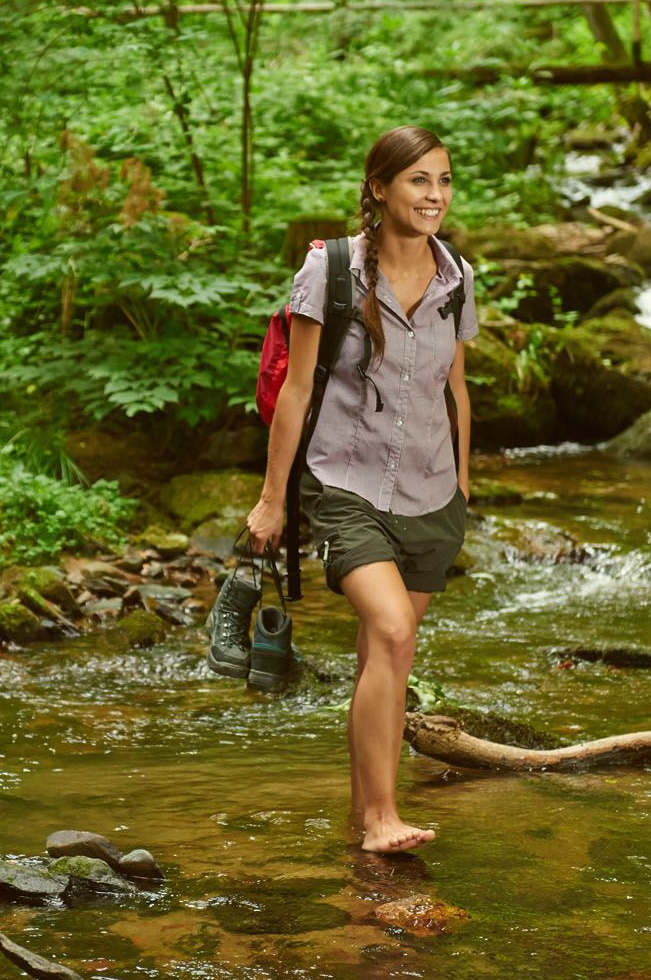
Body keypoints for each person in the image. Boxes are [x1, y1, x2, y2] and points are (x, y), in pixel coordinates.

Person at [245, 125, 475, 854]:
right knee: (393, 629)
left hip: (433, 493)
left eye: (442, 181)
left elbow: (457, 387)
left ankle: (367, 815)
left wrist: (464, 486)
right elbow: (299, 388)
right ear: (379, 188)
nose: (434, 195)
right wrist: (274, 498)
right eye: (418, 181)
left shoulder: (456, 277)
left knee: (389, 655)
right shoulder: (333, 269)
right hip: (346, 483)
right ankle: (382, 818)